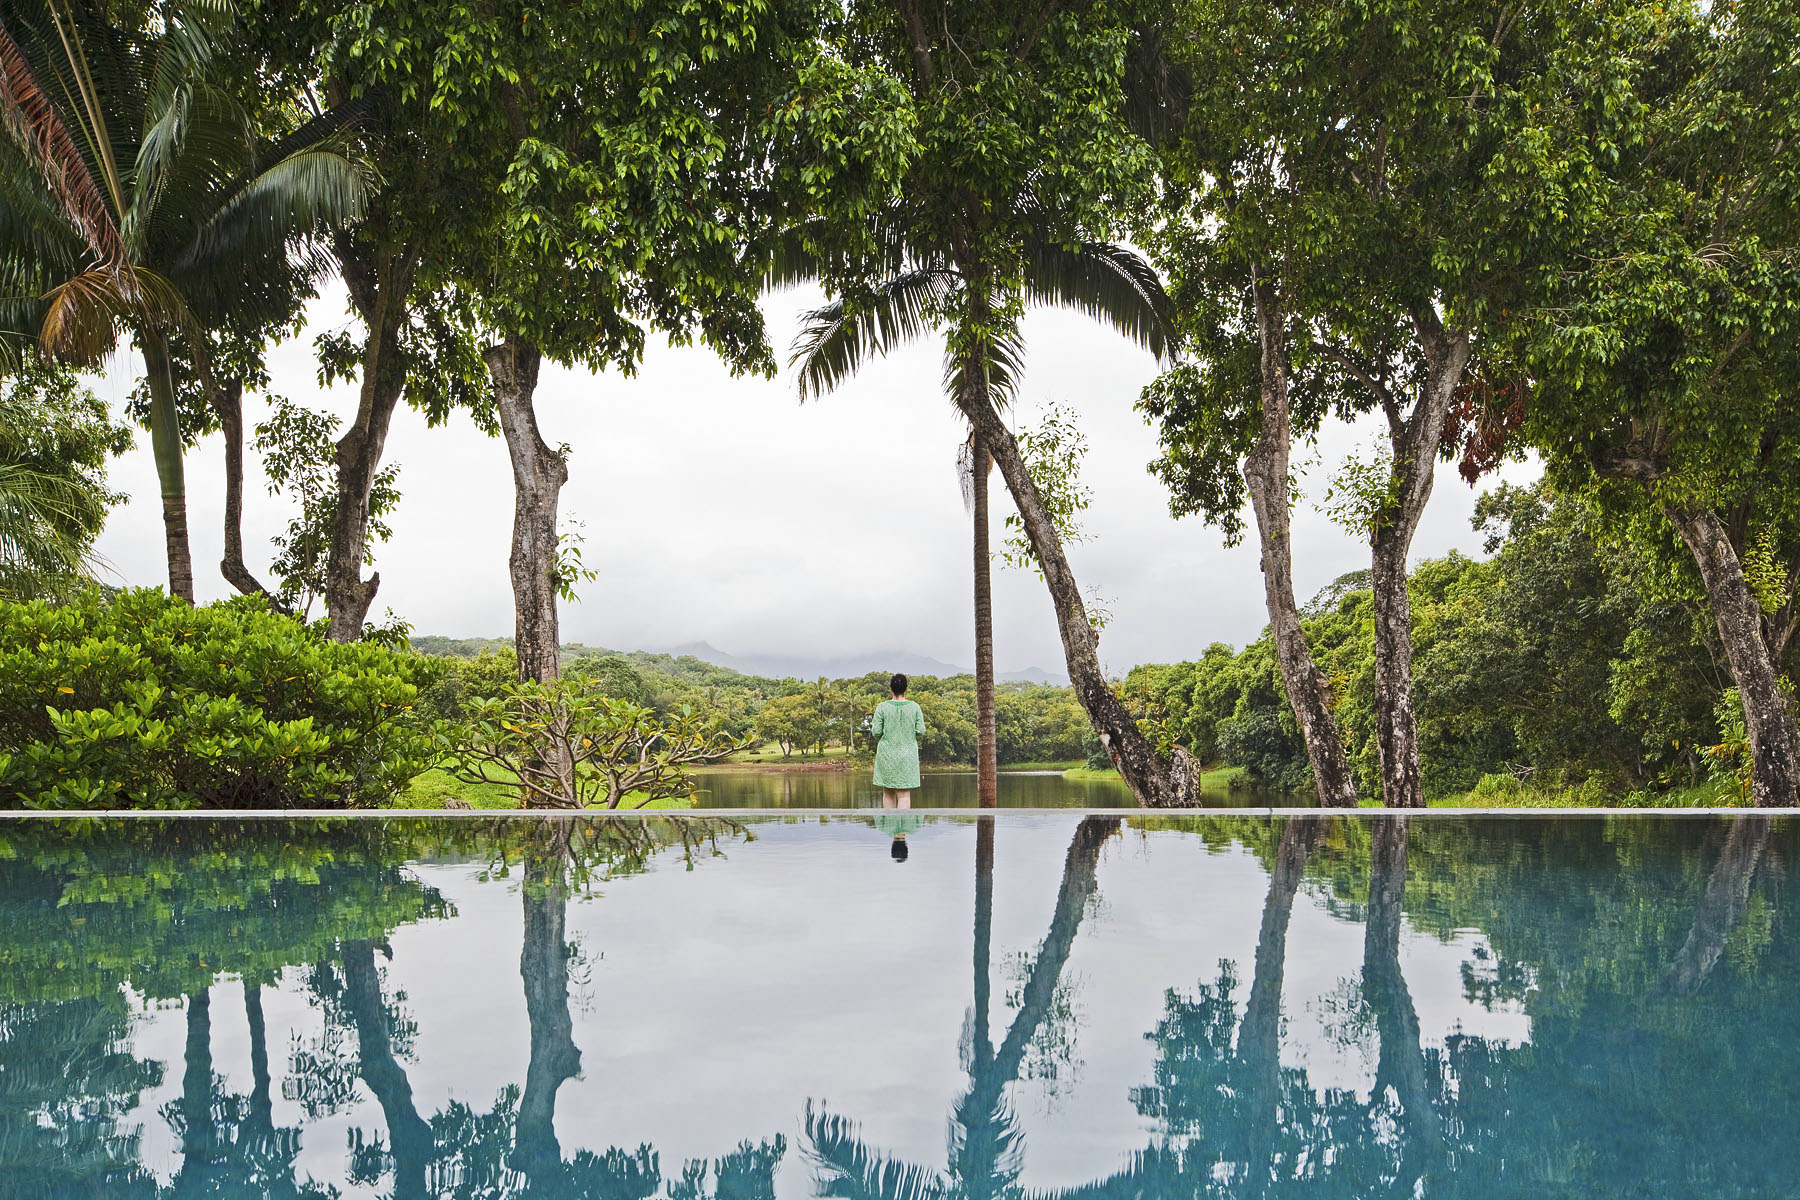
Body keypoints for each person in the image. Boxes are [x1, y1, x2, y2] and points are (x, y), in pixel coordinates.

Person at [872, 672, 926, 808]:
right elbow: (920, 731)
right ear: (905, 689)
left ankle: (891, 827)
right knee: (904, 794)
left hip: (886, 755)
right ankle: (902, 829)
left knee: (888, 792)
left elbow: (876, 731)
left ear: (891, 688)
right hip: (908, 754)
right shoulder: (915, 707)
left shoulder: (882, 707)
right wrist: (910, 736)